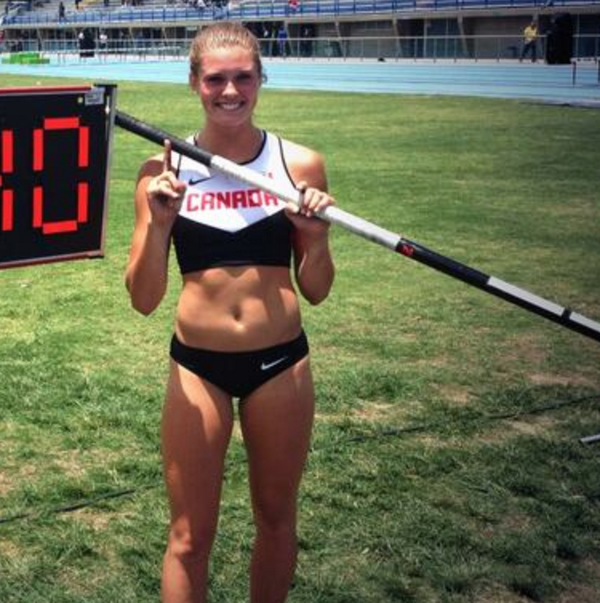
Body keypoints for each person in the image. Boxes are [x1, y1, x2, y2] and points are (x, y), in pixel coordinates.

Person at [125, 21, 335, 603]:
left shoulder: (300, 165)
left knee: (276, 519)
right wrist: (160, 223)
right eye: (215, 78)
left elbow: (316, 289)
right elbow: (144, 299)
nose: (230, 91)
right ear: (194, 82)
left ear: (261, 78)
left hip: (281, 366)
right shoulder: (162, 172)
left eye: (244, 76)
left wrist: (315, 240)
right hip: (198, 368)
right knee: (190, 536)